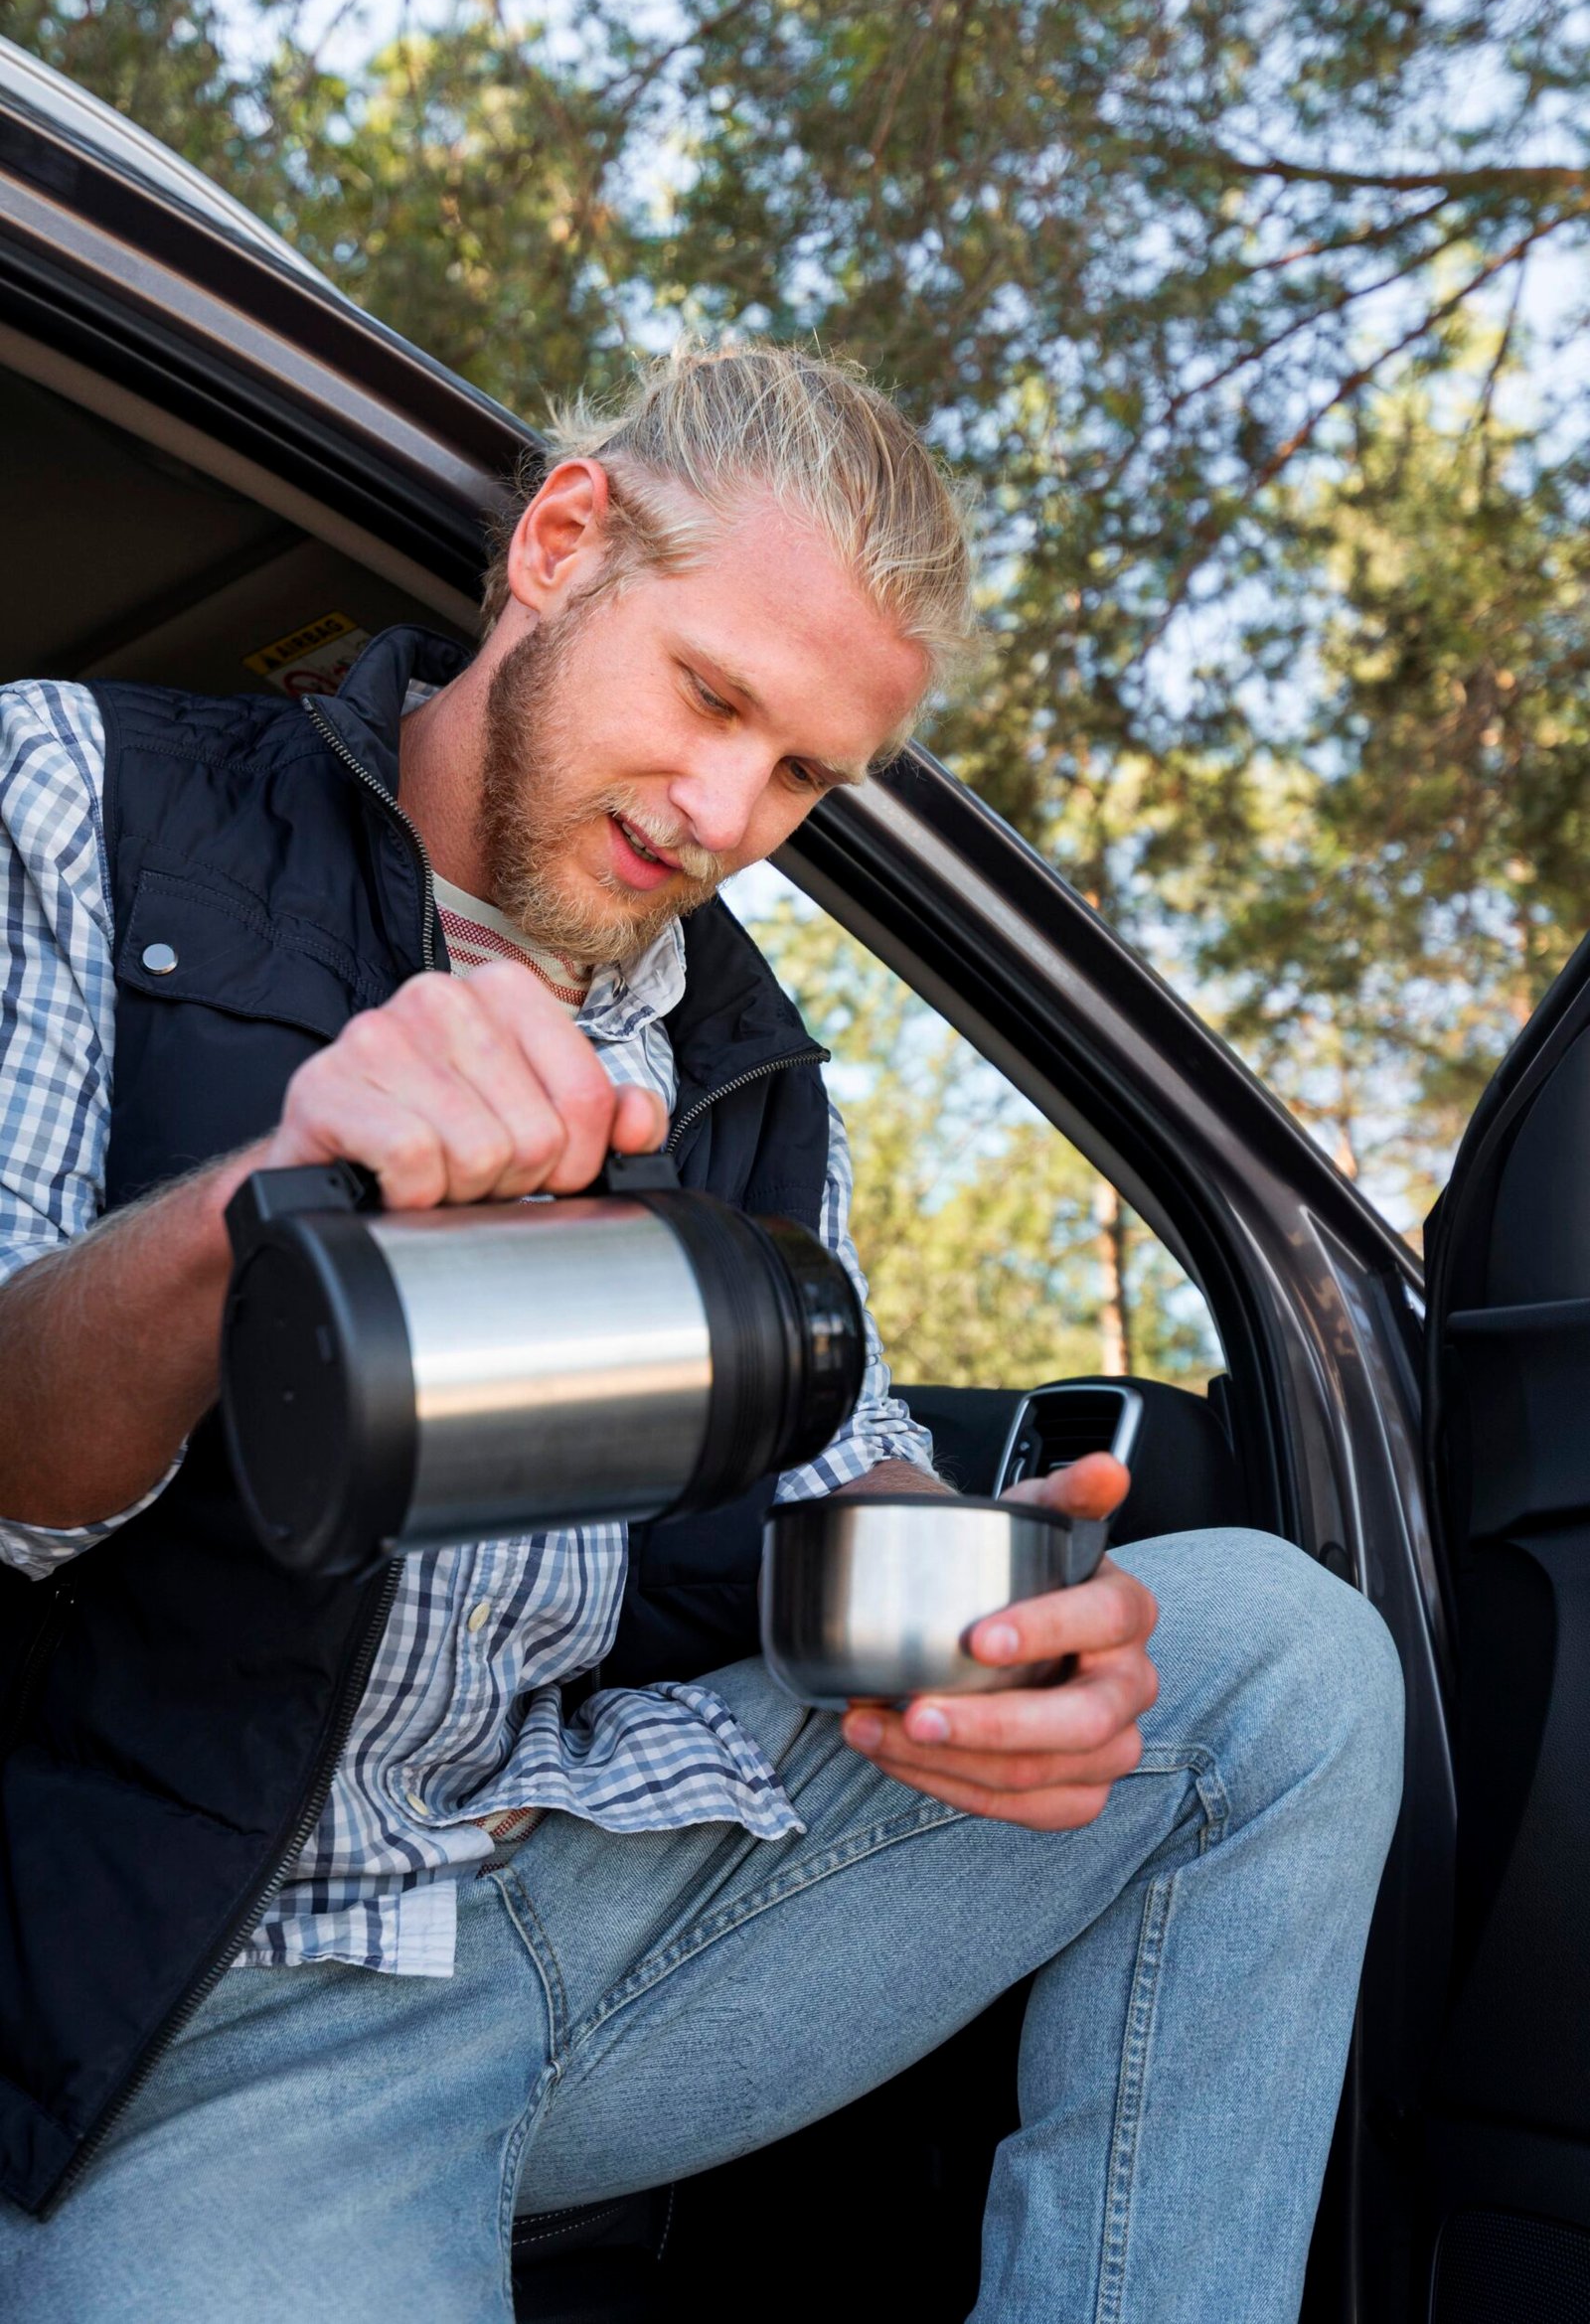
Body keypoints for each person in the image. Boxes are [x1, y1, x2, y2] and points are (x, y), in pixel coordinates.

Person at [0, 342, 1401, 2322]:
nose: (728, 811)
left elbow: (833, 1481)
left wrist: (982, 1630)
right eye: (712, 695)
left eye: (805, 772)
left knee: (1281, 1661)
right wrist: (264, 1203)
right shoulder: (80, 795)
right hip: (196, 1982)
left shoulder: (746, 1064)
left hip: (586, 1876)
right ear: (562, 544)